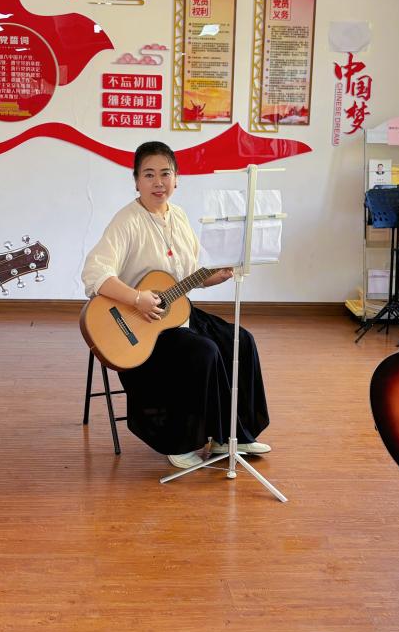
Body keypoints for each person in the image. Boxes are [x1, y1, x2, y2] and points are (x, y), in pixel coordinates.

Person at [81, 141, 271, 469]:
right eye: (149, 175)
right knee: (203, 352)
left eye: (165, 174)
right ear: (136, 181)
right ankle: (180, 441)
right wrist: (137, 299)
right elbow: (94, 274)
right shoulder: (127, 221)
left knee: (240, 339)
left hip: (176, 314)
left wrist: (216, 276)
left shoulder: (178, 216)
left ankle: (230, 435)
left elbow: (187, 275)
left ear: (177, 179)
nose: (158, 182)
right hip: (138, 325)